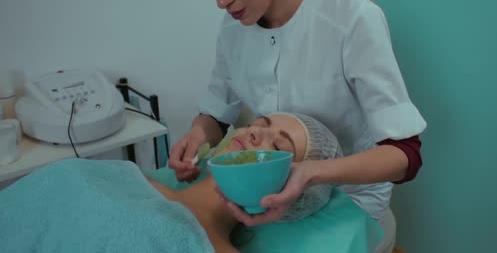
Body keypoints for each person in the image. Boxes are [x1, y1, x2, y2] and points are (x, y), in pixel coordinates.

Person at [169, 0, 427, 251]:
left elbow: (406, 156)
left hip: (347, 198)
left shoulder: (352, 19)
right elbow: (217, 113)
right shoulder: (234, 29)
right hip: (264, 190)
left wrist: (310, 173)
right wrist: (197, 137)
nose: (220, 0)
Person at [1, 112, 342, 253]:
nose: (255, 132)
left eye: (278, 146)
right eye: (260, 123)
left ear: (292, 190)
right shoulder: (123, 176)